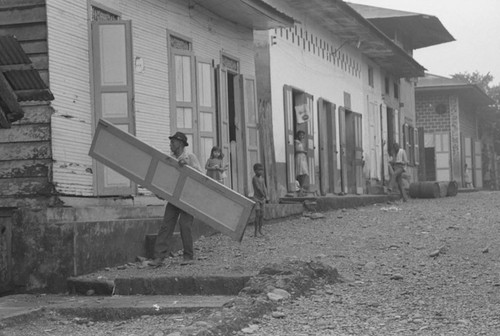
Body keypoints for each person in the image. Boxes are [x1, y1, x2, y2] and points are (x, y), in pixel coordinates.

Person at [149, 131, 202, 267]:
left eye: (173, 142)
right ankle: (159, 257)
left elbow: (200, 177)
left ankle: (188, 256)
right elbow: (166, 177)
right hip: (174, 196)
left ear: (180, 143)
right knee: (166, 225)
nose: (170, 144)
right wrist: (160, 191)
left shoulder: (190, 157)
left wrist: (188, 166)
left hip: (187, 197)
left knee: (185, 225)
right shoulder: (170, 158)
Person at [252, 163, 268, 237]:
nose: (260, 172)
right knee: (257, 214)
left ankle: (260, 229)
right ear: (255, 171)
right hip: (257, 198)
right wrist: (263, 194)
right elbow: (258, 188)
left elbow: (264, 187)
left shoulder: (262, 178)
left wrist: (266, 195)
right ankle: (255, 232)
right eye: (259, 170)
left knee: (262, 215)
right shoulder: (254, 178)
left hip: (262, 199)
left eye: (261, 170)